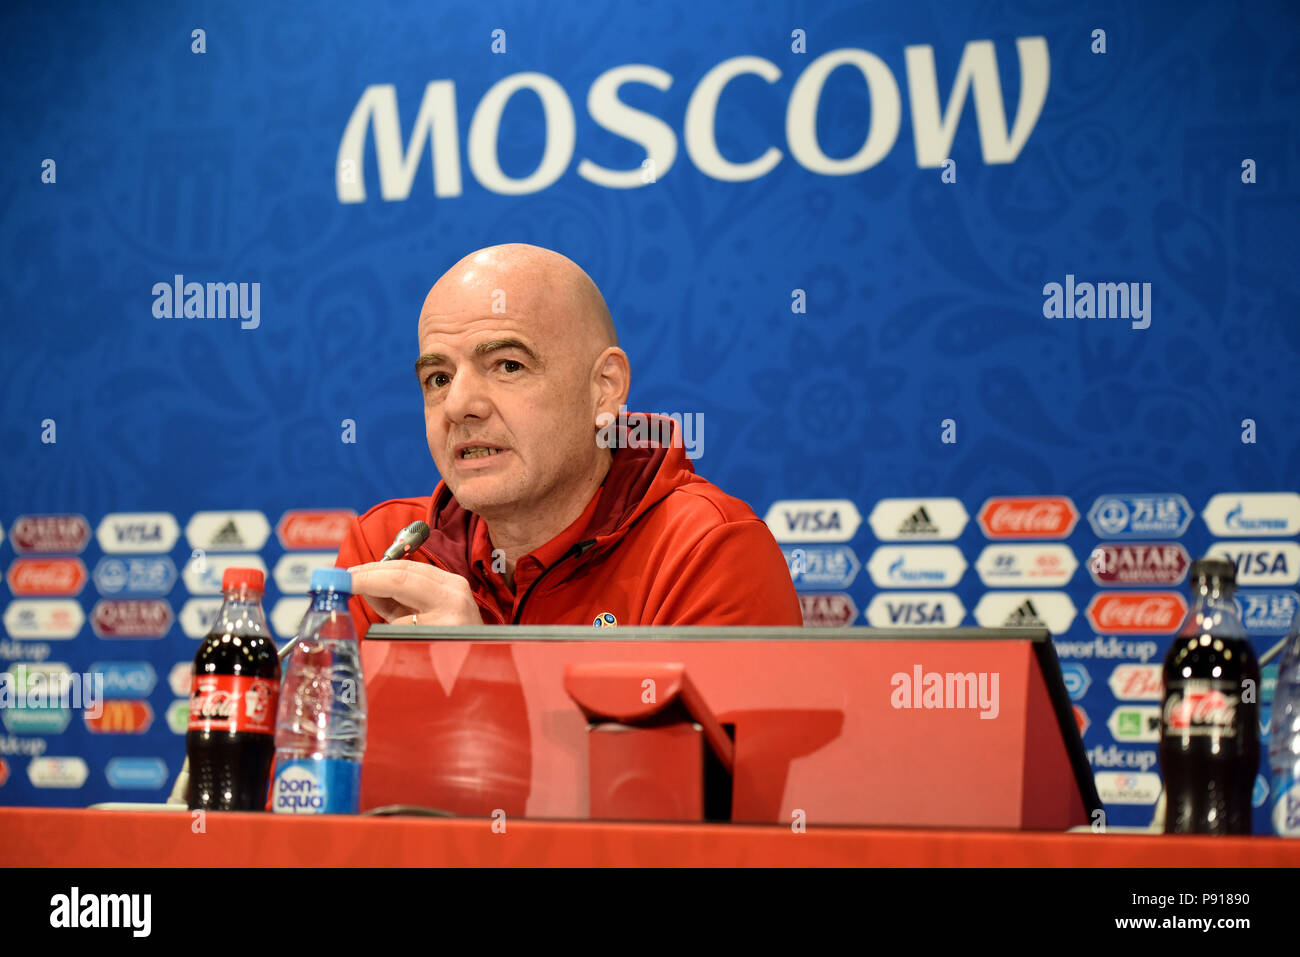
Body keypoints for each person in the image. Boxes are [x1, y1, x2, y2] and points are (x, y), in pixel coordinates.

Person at [336, 243, 801, 629]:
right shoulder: (385, 547)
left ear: (605, 389)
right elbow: (326, 738)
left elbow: (690, 746)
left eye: (508, 366)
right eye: (438, 378)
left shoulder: (707, 553)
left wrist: (478, 664)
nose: (458, 406)